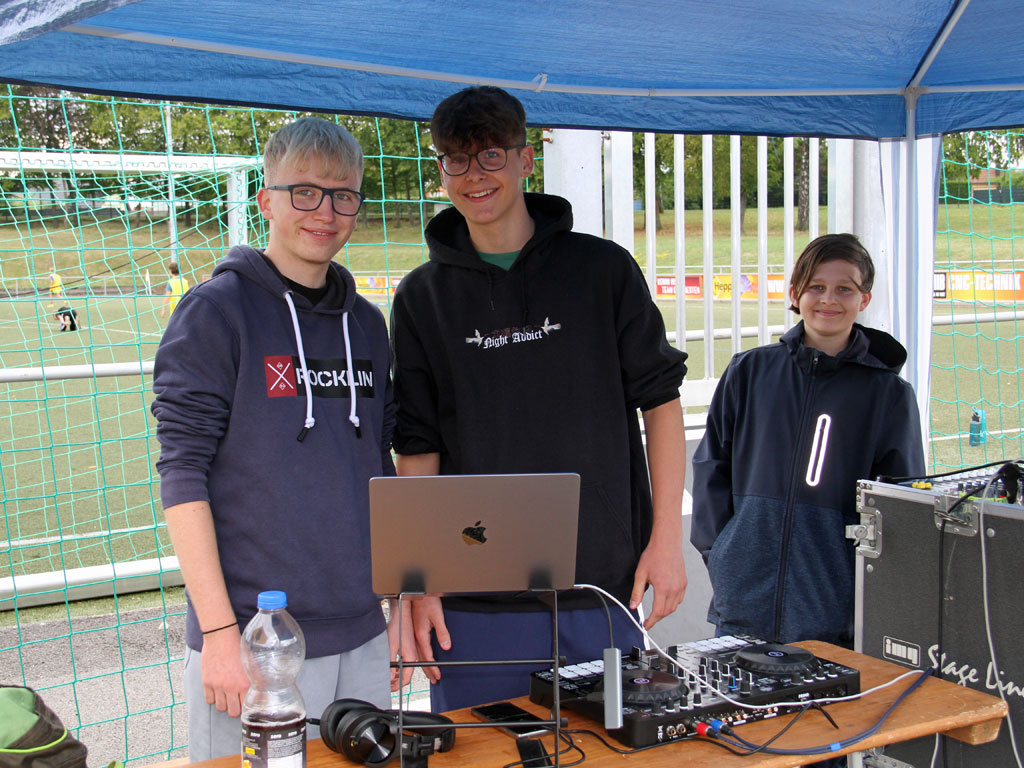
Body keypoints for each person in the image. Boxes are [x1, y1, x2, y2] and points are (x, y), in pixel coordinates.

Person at [390, 86, 689, 712]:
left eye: (491, 155)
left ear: (526, 160)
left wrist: (666, 541)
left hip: (599, 589)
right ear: (441, 171)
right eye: (456, 159)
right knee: (483, 753)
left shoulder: (603, 270)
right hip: (473, 603)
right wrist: (418, 580)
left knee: (608, 749)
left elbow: (660, 402)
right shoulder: (421, 297)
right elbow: (417, 445)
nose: (474, 175)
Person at [151, 117, 398, 761]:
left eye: (343, 195)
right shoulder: (216, 312)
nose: (325, 212)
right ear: (266, 200)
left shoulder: (368, 326)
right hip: (258, 642)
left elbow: (379, 466)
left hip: (363, 632)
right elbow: (182, 474)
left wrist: (397, 603)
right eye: (305, 192)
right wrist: (218, 633)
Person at [691, 233, 926, 649]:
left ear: (864, 299)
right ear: (795, 293)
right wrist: (724, 553)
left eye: (844, 289)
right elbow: (712, 466)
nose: (828, 299)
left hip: (833, 614)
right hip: (742, 605)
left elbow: (902, 504)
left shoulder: (889, 395)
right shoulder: (750, 372)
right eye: (816, 286)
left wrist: (859, 585)